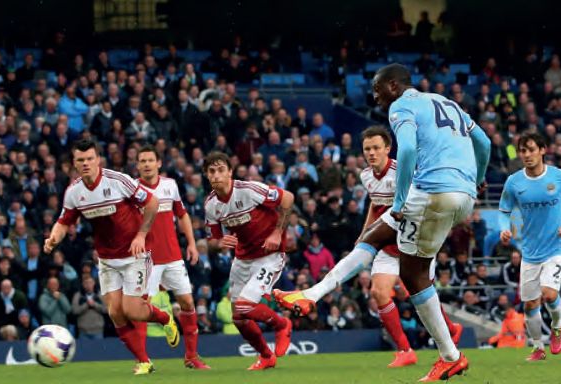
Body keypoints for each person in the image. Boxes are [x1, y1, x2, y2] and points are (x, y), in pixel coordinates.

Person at [274, 126, 464, 368]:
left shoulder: (403, 172)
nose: (372, 153)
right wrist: (366, 234)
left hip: (415, 242)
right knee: (378, 293)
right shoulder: (365, 176)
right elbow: (376, 205)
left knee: (418, 296)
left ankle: (450, 329)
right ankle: (404, 351)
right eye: (367, 149)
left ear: (388, 148)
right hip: (385, 243)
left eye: (376, 148)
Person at [375, 63, 490, 381]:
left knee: (409, 272)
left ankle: (450, 355)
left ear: (395, 86)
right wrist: (479, 179)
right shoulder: (447, 102)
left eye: (378, 88)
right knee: (416, 267)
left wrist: (399, 201)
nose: (375, 95)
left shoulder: (401, 106)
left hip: (434, 192)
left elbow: (408, 149)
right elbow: (485, 144)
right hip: (464, 196)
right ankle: (449, 351)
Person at [44, 139, 178, 375]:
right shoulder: (74, 192)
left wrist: (141, 235)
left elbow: (153, 202)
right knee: (115, 312)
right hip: (107, 259)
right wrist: (53, 238)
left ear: (98, 160)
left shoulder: (118, 181)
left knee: (133, 310)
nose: (86, 163)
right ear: (74, 164)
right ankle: (144, 361)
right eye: (80, 160)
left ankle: (165, 318)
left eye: (89, 159)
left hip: (135, 254)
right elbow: (64, 222)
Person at [203, 152, 293, 371]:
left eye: (221, 170)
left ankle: (282, 324)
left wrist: (277, 233)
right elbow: (212, 241)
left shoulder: (249, 189)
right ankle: (266, 356)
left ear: (230, 172)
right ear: (207, 175)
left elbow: (288, 198)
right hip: (242, 259)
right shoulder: (210, 204)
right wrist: (219, 241)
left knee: (245, 306)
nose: (216, 175)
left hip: (269, 256)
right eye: (211, 171)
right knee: (238, 318)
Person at [498, 131, 561, 362]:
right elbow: (504, 211)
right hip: (530, 251)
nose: (527, 155)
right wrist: (503, 229)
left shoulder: (559, 176)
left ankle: (557, 325)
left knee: (549, 293)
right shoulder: (514, 182)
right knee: (530, 304)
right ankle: (537, 347)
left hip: (558, 246)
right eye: (523, 150)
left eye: (532, 149)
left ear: (543, 150)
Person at [136, 146, 210, 370]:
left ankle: (191, 357)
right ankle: (143, 360)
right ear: (138, 165)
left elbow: (182, 214)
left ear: (159, 163)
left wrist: (191, 243)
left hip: (173, 257)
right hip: (146, 259)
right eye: (142, 161)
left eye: (150, 160)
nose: (147, 164)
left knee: (187, 302)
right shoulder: (133, 190)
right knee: (140, 308)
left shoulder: (170, 185)